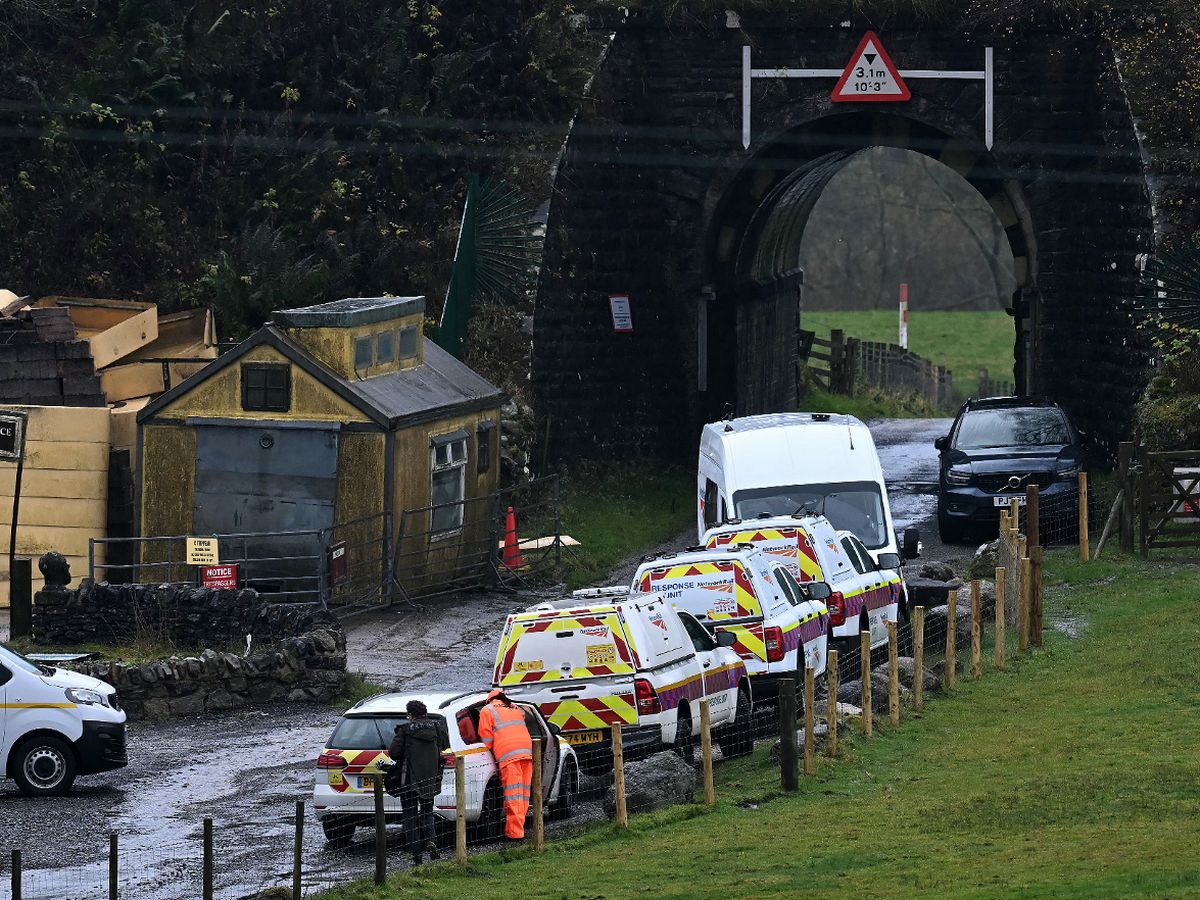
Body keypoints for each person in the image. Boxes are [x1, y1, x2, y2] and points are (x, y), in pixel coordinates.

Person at [384, 699, 450, 865]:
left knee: (410, 817)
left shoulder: (406, 730)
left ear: (410, 715)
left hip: (408, 781)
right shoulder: (436, 727)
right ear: (425, 713)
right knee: (427, 814)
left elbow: (394, 753)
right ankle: (431, 841)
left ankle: (416, 856)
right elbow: (445, 745)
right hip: (430, 779)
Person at [477, 689, 533, 841]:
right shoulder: (514, 708)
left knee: (513, 796)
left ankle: (515, 834)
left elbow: (486, 739)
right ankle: (517, 830)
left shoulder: (487, 710)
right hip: (527, 753)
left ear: (490, 699)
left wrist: (487, 751)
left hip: (509, 756)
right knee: (523, 795)